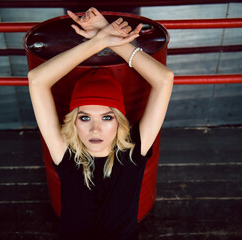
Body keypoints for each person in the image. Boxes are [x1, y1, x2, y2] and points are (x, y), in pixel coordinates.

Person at [28, 7, 174, 240]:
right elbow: (36, 80)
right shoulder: (66, 154)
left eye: (107, 117)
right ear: (73, 123)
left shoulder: (133, 153)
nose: (95, 129)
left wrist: (108, 39)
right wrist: (100, 40)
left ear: (120, 121)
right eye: (84, 117)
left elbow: (165, 79)